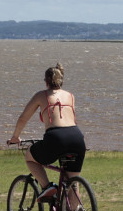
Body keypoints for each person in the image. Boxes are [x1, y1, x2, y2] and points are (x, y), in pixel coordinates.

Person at [8, 62, 86, 203]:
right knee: (73, 184)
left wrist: (15, 137)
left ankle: (47, 187)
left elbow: (23, 118)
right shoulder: (70, 96)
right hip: (77, 137)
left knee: (29, 157)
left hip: (56, 137)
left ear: (46, 81)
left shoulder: (41, 95)